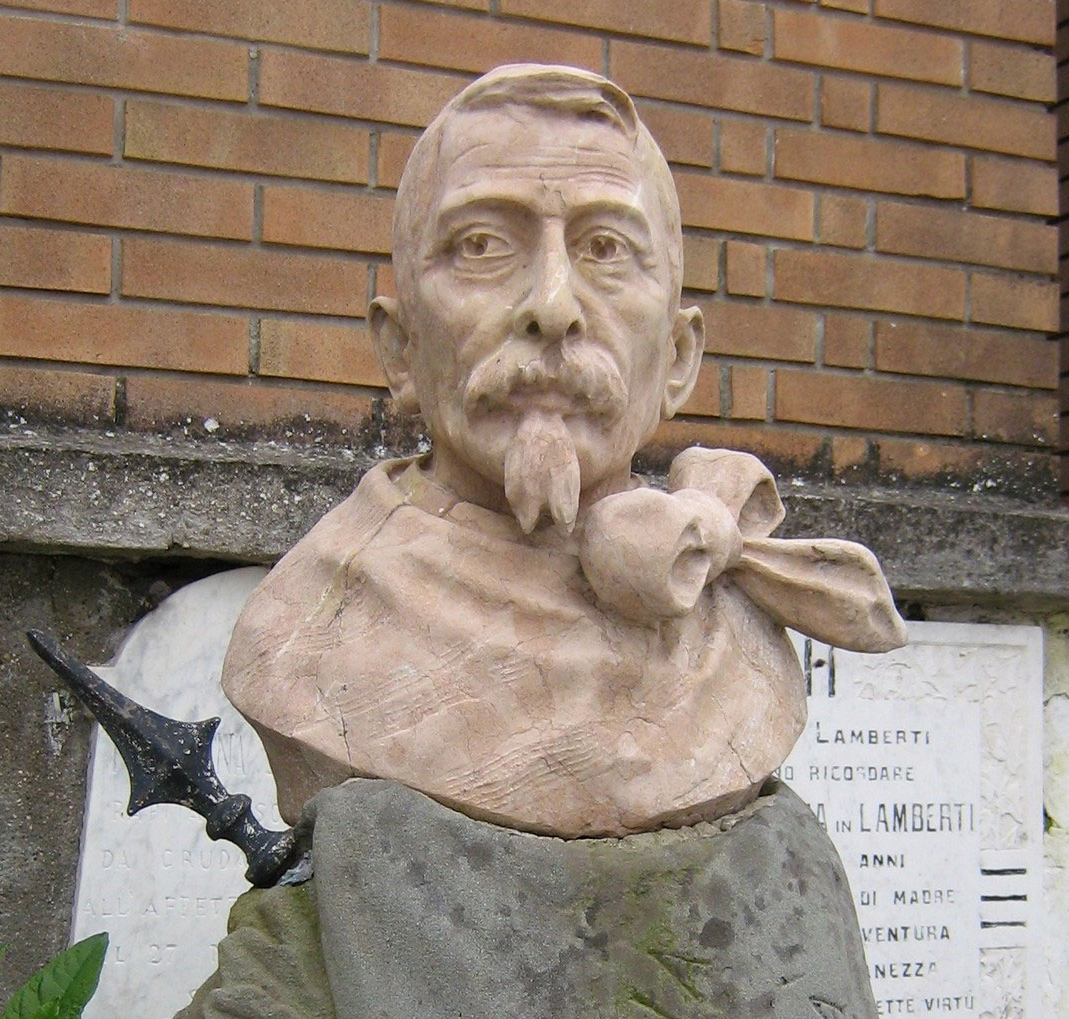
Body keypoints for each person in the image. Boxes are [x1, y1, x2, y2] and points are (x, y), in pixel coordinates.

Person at [220, 63, 906, 840]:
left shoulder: (727, 603)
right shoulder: (303, 636)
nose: (552, 307)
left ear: (678, 358)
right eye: (482, 245)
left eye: (606, 247)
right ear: (401, 349)